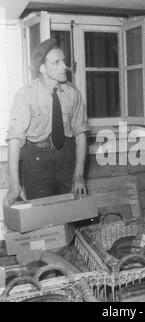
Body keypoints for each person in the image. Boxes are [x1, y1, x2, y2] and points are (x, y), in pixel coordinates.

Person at [3, 38, 89, 207]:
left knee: (69, 217)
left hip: (67, 159)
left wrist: (78, 174)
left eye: (63, 61)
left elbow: (80, 135)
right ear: (42, 68)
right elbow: (14, 139)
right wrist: (14, 184)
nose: (64, 66)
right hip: (36, 163)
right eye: (56, 62)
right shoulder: (25, 95)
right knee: (42, 219)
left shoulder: (73, 93)